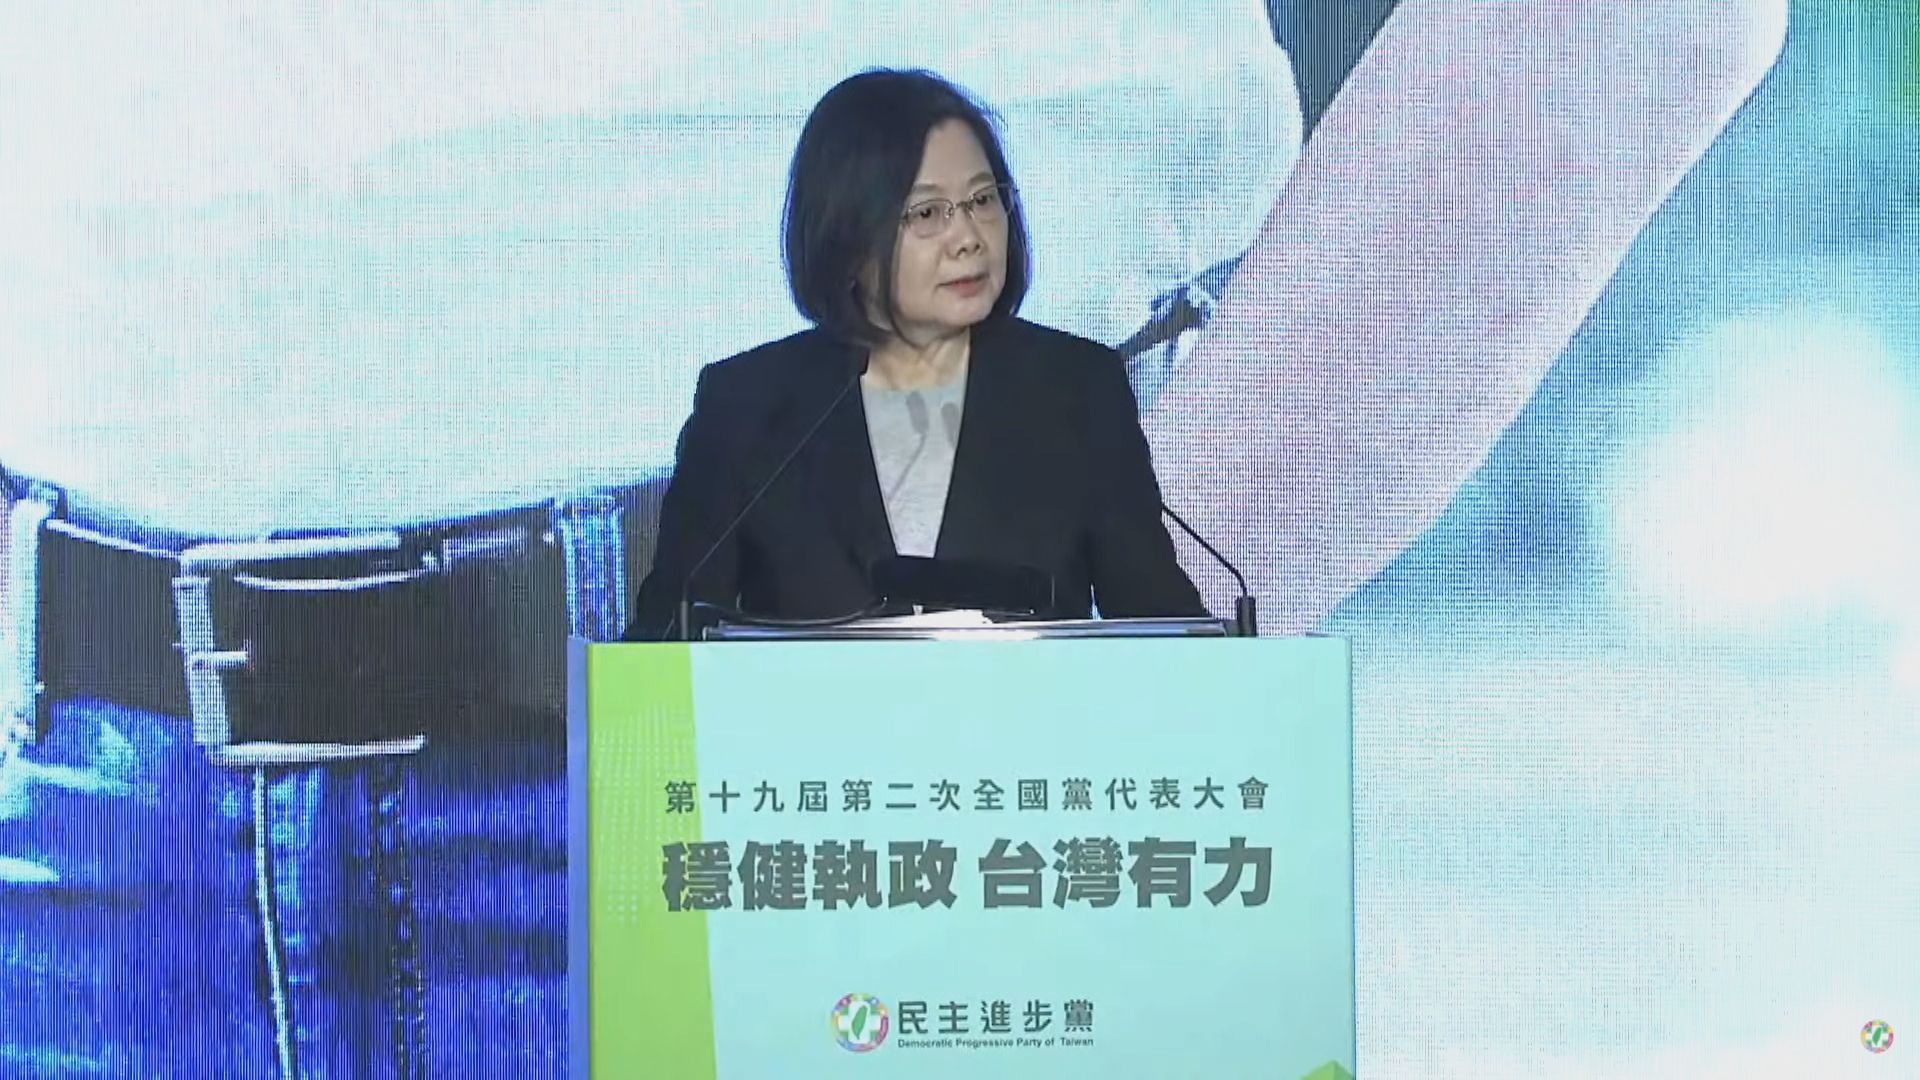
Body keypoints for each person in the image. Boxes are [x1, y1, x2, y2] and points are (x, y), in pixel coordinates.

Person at [624, 70, 1206, 640]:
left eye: (983, 200)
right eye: (928, 213)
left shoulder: (1076, 389)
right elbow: (663, 641)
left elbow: (1166, 629)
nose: (969, 237)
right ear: (848, 234)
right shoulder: (747, 408)